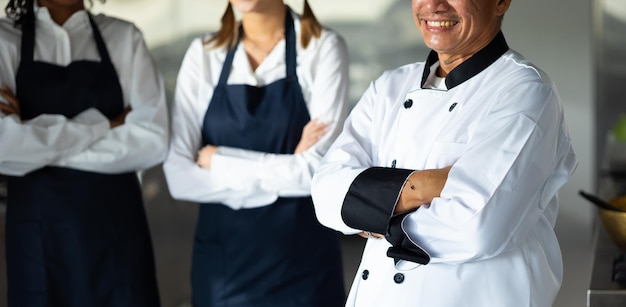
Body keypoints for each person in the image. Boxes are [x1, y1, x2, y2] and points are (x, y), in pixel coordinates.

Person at [311, 0, 578, 306]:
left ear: (501, 2)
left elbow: (475, 227)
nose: (434, 5)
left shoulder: (525, 91)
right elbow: (325, 194)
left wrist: (369, 212)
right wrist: (426, 185)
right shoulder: (389, 87)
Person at [162, 0, 349, 306]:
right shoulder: (204, 52)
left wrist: (219, 161)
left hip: (303, 266)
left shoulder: (322, 47)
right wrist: (289, 165)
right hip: (224, 268)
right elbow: (179, 178)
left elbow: (315, 174)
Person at [0, 0, 168, 306]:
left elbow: (153, 140)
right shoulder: (2, 39)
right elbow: (4, 146)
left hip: (118, 238)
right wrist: (104, 124)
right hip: (39, 242)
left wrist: (35, 145)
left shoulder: (124, 37)